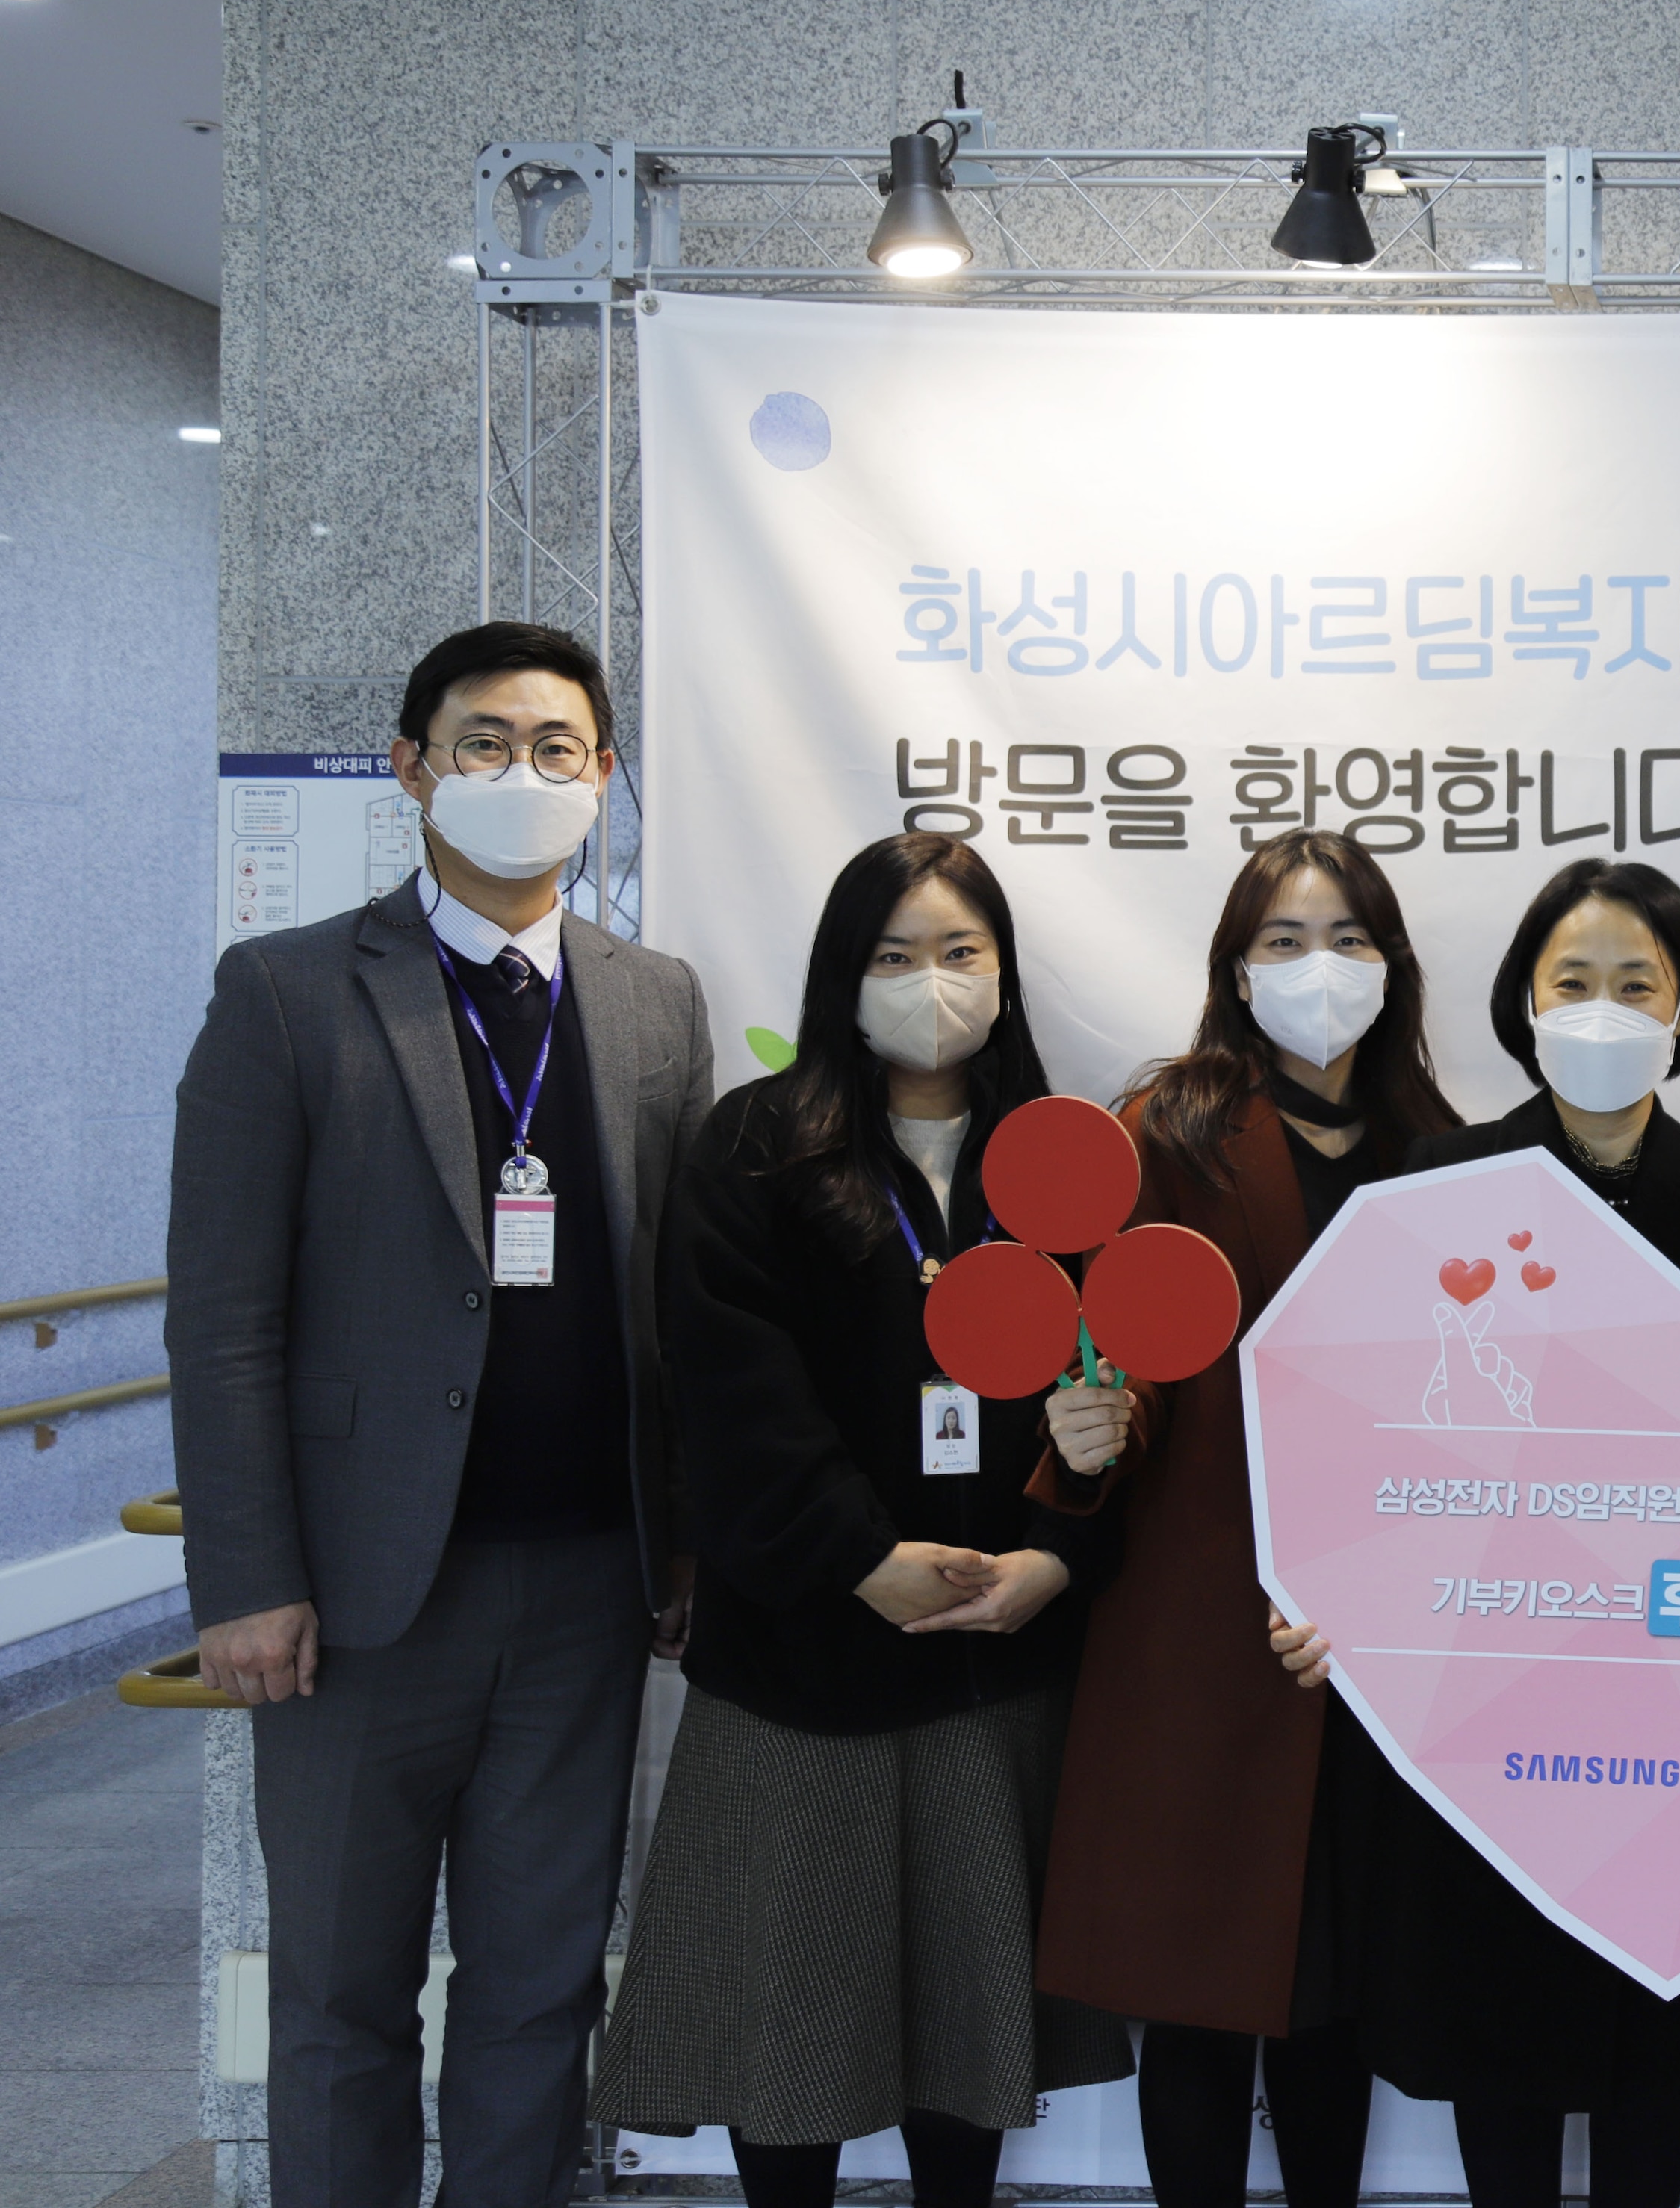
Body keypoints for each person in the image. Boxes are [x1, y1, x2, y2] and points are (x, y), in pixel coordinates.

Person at [167, 621, 710, 2208]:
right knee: (341, 1996)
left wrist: (679, 1545)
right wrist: (246, 1577)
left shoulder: (652, 1001)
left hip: (581, 1595)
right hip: (353, 1600)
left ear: (604, 779)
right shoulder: (285, 992)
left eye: (557, 747)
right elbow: (222, 1316)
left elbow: (671, 1306)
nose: (521, 774)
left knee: (544, 1987)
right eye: (483, 742)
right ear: (411, 768)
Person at [593, 834, 1126, 2208]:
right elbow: (727, 1391)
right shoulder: (758, 1145)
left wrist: (1055, 1554)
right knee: (795, 2028)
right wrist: (859, 1558)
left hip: (993, 1658)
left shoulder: (1062, 1164)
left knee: (967, 2028)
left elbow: (1111, 1403)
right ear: (843, 974)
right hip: (804, 1668)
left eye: (959, 954)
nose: (929, 985)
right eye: (894, 957)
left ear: (1003, 976)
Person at [1286, 857, 1680, 2208]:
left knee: (1655, 2058)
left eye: (1639, 983)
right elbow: (1363, 1444)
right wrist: (1326, 1594)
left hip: (1676, 1715)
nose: (1605, 1008)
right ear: (1522, 1001)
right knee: (1498, 2060)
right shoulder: (1434, 1188)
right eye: (1574, 981)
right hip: (1487, 1714)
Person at [1028, 831, 1466, 2208]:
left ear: (1393, 967)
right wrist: (1086, 1435)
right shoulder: (1168, 1129)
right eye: (1281, 940)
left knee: (1331, 1993)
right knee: (1203, 1993)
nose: (1316, 968)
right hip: (1201, 1614)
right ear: (1233, 967)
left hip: (1384, 1633)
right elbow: (1121, 1367)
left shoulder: (1449, 1153)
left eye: (1346, 938)